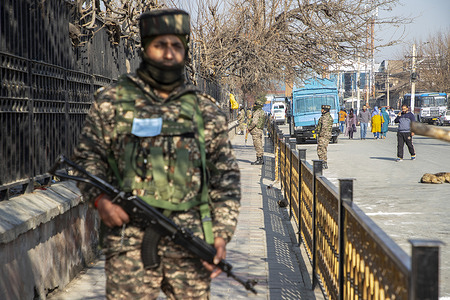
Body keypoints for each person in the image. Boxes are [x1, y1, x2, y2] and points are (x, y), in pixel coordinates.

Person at [72, 9, 241, 299]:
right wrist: (101, 202)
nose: (169, 53)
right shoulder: (112, 103)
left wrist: (221, 235)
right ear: (145, 48)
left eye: (176, 45)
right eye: (160, 45)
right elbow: (87, 160)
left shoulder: (204, 110)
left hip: (190, 240)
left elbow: (225, 177)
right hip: (129, 245)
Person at [248, 98, 266, 165]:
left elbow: (254, 122)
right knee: (260, 144)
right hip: (260, 130)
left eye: (255, 104)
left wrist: (249, 128)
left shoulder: (257, 112)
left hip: (256, 131)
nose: (254, 105)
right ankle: (261, 158)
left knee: (257, 145)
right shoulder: (262, 111)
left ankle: (259, 159)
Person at [316, 104, 333, 169]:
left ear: (325, 110)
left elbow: (324, 127)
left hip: (324, 136)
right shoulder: (328, 117)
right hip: (326, 135)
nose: (321, 110)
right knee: (323, 149)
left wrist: (320, 134)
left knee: (321, 149)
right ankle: (323, 162)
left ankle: (323, 162)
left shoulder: (325, 118)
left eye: (322, 109)